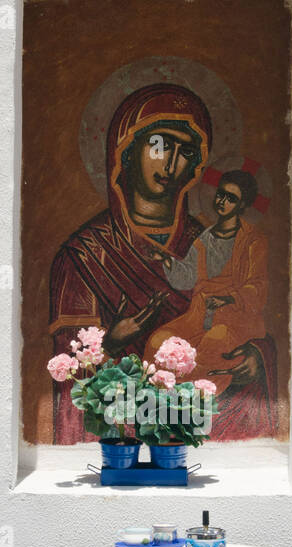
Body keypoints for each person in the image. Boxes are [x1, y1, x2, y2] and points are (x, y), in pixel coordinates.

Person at [49, 82, 211, 443]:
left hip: (186, 426)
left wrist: (253, 358)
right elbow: (67, 378)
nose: (170, 163)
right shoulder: (85, 256)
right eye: (158, 145)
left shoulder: (208, 249)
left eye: (185, 152)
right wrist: (113, 342)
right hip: (116, 434)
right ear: (126, 151)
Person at [145, 170, 278, 436]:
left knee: (210, 346)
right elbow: (187, 277)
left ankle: (193, 418)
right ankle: (163, 412)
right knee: (158, 341)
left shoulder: (253, 241)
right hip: (199, 314)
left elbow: (258, 287)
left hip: (235, 319)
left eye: (231, 198)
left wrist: (229, 297)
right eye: (221, 194)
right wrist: (168, 261)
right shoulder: (204, 239)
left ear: (242, 205)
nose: (222, 201)